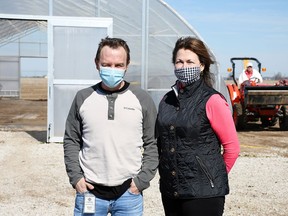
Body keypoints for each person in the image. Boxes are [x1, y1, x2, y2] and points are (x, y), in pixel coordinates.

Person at [63, 37, 158, 216]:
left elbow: (152, 143)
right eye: (106, 64)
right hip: (89, 192)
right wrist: (76, 178)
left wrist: (141, 181)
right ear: (97, 63)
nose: (112, 70)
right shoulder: (83, 98)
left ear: (127, 65)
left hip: (128, 194)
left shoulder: (142, 99)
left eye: (118, 65)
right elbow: (71, 140)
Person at [156, 37, 240, 216]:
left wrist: (213, 176)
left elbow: (232, 147)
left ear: (201, 66)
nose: (184, 66)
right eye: (179, 61)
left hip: (203, 194)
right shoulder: (167, 100)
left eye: (190, 62)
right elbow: (161, 142)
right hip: (171, 191)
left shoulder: (212, 100)